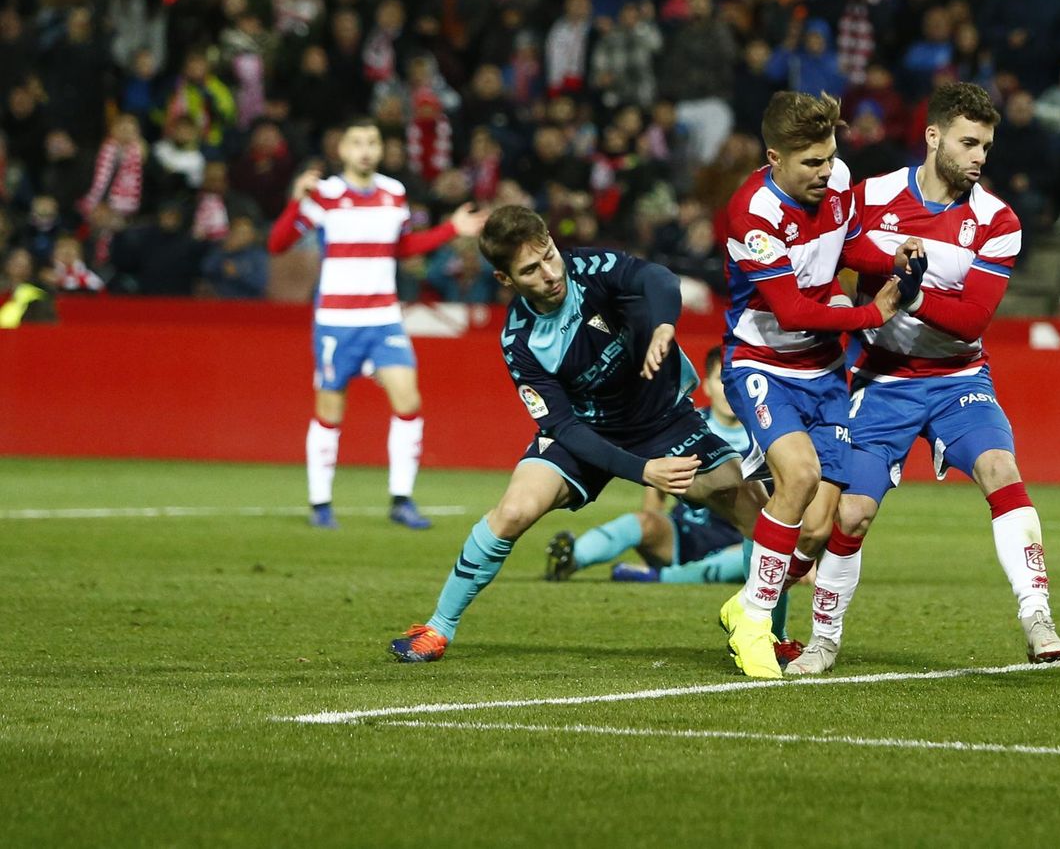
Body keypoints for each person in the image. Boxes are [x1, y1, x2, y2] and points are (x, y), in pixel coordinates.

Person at [388, 208, 768, 663]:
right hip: (588, 429)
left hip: (664, 418)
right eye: (530, 269)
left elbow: (660, 279)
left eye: (548, 256)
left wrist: (665, 323)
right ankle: (437, 628)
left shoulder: (589, 269)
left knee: (753, 506)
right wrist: (643, 471)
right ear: (504, 278)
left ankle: (769, 631)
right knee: (513, 511)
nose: (550, 274)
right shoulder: (520, 341)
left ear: (551, 240)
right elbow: (563, 427)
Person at [786, 81, 1060, 675]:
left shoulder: (998, 220)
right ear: (934, 136)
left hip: (956, 378)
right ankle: (824, 638)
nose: (979, 158)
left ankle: (1037, 613)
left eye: (986, 147)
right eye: (968, 143)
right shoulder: (873, 196)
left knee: (1001, 469)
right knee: (851, 516)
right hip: (880, 378)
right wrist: (889, 262)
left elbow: (972, 318)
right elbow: (835, 252)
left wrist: (910, 293)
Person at [717, 89, 914, 680]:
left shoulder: (837, 182)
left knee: (822, 526)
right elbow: (792, 310)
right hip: (762, 364)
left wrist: (897, 258)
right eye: (811, 163)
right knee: (799, 476)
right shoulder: (753, 214)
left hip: (824, 371)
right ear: (774, 157)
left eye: (829, 159)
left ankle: (744, 601)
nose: (826, 173)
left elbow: (846, 246)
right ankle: (754, 621)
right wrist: (872, 315)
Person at [266, 122, 488, 530]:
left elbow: (401, 248)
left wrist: (449, 230)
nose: (365, 150)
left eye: (372, 142)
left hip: (384, 317)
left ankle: (401, 499)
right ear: (342, 149)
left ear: (381, 149)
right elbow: (277, 244)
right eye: (357, 142)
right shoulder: (325, 195)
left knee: (408, 401)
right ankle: (321, 503)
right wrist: (296, 202)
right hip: (337, 321)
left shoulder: (395, 193)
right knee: (330, 409)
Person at [545, 348, 751, 586]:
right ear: (706, 386)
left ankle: (661, 578)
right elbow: (659, 482)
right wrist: (652, 522)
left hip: (739, 538)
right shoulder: (689, 425)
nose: (728, 389)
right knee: (640, 522)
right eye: (720, 379)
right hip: (683, 535)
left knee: (762, 550)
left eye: (734, 380)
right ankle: (571, 558)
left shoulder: (764, 436)